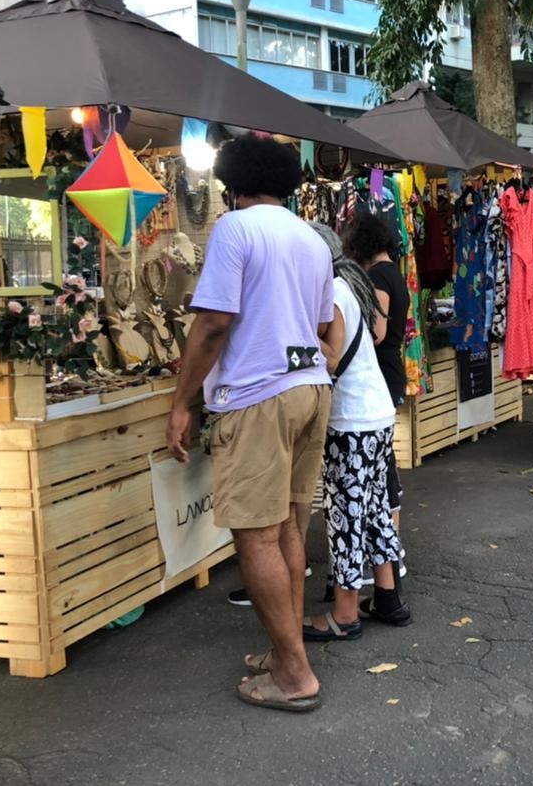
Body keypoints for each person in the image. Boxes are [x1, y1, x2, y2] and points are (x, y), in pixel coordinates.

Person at [165, 133, 333, 713]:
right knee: (288, 529)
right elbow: (319, 323)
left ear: (231, 184)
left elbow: (214, 323)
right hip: (309, 386)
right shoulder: (311, 238)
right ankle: (287, 653)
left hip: (259, 394)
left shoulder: (235, 229)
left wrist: (182, 402)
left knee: (258, 536)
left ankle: (294, 673)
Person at [302, 224, 408, 642]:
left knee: (346, 515)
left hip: (352, 422)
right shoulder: (350, 285)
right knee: (377, 509)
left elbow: (330, 357)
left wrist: (294, 336)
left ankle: (345, 613)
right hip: (375, 414)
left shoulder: (331, 292)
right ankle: (388, 597)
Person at [343, 211, 410, 552]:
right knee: (384, 461)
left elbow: (377, 331)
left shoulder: (378, 277)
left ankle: (389, 546)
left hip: (381, 372)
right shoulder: (394, 273)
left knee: (382, 466)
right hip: (391, 370)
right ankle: (390, 545)